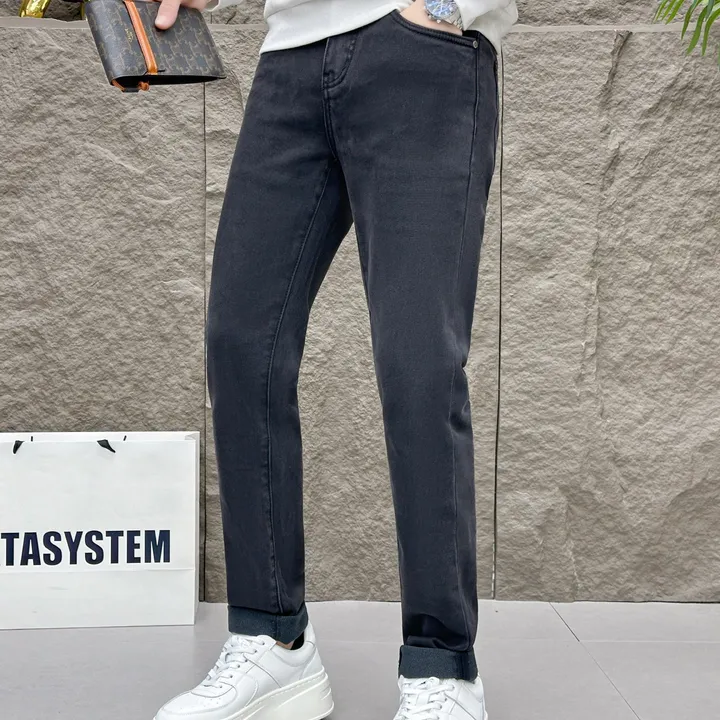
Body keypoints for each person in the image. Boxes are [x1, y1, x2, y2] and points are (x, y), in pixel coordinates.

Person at [153, 0, 517, 717]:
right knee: (241, 342)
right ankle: (274, 641)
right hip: (290, 54)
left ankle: (443, 669)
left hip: (420, 50)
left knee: (419, 364)